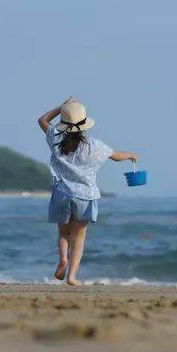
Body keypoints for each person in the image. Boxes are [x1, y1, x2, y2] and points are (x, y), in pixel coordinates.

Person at [37, 98, 139, 286]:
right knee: (79, 238)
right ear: (85, 124)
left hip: (62, 193)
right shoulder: (95, 146)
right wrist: (131, 155)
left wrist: (62, 107)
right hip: (85, 196)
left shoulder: (56, 139)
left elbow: (42, 120)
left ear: (64, 124)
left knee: (63, 234)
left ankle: (63, 260)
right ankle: (72, 276)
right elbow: (116, 156)